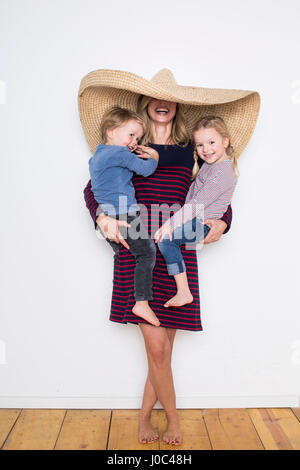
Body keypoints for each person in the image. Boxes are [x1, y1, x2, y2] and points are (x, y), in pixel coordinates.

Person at [80, 67, 260, 446]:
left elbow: (214, 192)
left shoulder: (189, 152)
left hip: (175, 251)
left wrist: (224, 222)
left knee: (162, 352)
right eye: (154, 97)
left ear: (177, 107)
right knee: (156, 347)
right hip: (137, 248)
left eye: (169, 98)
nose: (162, 103)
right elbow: (93, 187)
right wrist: (100, 215)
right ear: (146, 105)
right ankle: (171, 421)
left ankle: (147, 415)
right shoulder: (126, 149)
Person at [154, 116, 238, 308]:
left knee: (166, 240)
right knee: (167, 241)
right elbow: (192, 193)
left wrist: (169, 224)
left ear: (225, 141)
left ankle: (184, 292)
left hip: (202, 223)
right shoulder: (209, 166)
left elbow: (197, 204)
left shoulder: (223, 172)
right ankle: (182, 289)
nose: (206, 150)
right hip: (193, 219)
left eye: (211, 142)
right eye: (200, 145)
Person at [89, 106, 161, 327]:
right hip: (125, 214)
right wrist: (155, 157)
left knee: (123, 257)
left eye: (137, 138)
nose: (134, 142)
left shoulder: (95, 158)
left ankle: (124, 301)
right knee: (147, 253)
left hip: (107, 219)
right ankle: (141, 303)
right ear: (111, 131)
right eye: (131, 135)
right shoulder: (119, 153)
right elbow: (146, 170)